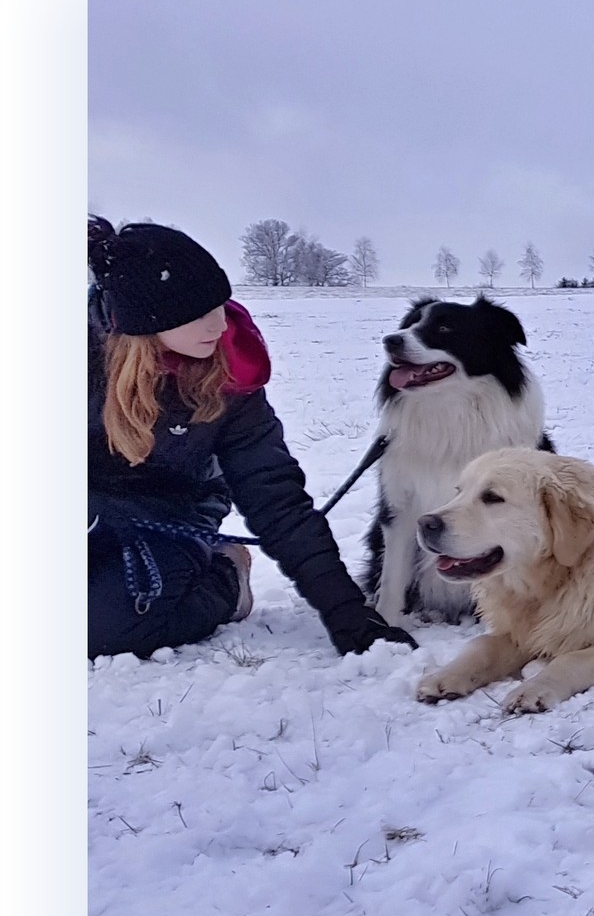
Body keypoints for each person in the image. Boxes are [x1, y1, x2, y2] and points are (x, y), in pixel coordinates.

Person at [88, 216, 415, 659]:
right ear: (146, 324)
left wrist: (347, 613)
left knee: (101, 626)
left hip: (172, 514)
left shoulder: (229, 373)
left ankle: (227, 578)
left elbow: (275, 497)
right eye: (199, 314)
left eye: (220, 305)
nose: (220, 325)